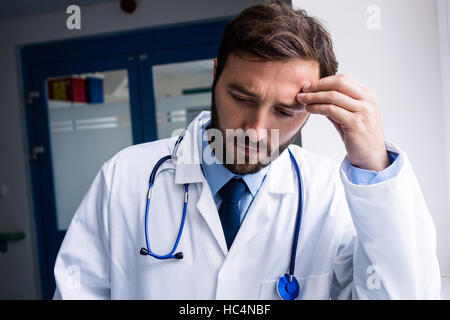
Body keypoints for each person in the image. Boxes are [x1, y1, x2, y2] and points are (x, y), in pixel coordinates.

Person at [53, 0, 441, 299]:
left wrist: (373, 162)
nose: (256, 131)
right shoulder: (125, 177)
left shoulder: (329, 194)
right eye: (241, 96)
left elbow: (405, 292)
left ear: (315, 108)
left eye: (285, 110)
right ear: (216, 72)